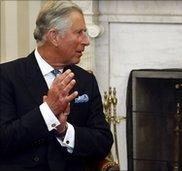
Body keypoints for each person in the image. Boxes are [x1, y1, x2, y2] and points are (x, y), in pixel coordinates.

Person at [0, 1, 113, 171]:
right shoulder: (7, 76)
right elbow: (3, 140)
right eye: (79, 32)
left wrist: (64, 130)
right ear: (54, 36)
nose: (86, 41)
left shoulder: (85, 80)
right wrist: (48, 112)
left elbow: (103, 141)